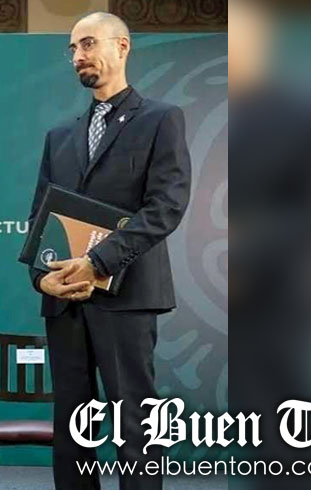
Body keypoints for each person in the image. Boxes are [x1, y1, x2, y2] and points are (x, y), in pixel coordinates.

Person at [26, 12, 191, 490]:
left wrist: (97, 262)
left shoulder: (161, 119)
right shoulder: (59, 136)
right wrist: (41, 277)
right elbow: (40, 219)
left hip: (127, 298)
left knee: (134, 426)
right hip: (64, 302)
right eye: (73, 48)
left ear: (122, 46)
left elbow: (166, 206)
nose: (78, 55)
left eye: (88, 44)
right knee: (71, 429)